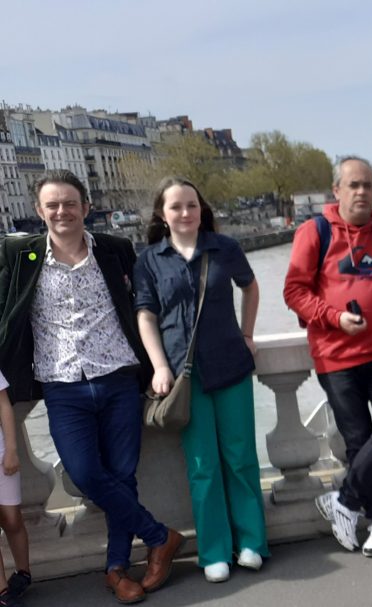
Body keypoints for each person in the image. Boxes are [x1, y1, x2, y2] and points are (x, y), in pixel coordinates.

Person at [0, 170, 182, 604]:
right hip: (62, 385)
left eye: (70, 203)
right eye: (52, 205)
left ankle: (117, 570)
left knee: (121, 476)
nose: (62, 211)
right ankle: (160, 537)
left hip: (119, 377)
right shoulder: (20, 254)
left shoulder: (116, 250)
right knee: (83, 473)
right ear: (40, 211)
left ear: (85, 207)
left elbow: (147, 305)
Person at [134, 177, 269, 583]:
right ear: (162, 213)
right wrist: (159, 366)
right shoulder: (150, 260)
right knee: (202, 466)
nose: (186, 213)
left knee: (241, 457)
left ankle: (251, 542)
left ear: (201, 208)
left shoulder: (223, 247)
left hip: (230, 365)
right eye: (176, 207)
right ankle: (213, 550)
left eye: (191, 205)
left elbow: (251, 288)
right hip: (183, 376)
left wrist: (248, 334)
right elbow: (146, 316)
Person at [284, 156, 372, 558]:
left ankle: (343, 498)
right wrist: (335, 317)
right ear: (336, 190)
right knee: (357, 441)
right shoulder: (315, 231)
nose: (362, 192)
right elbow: (295, 292)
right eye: (353, 185)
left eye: (368, 185)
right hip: (336, 357)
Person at [0, 372, 30, 606]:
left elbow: (3, 404)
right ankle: (3, 592)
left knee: (12, 520)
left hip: (1, 455)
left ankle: (23, 573)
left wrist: (11, 449)